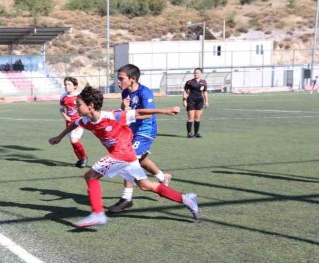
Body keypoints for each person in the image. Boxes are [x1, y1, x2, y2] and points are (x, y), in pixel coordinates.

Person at [48, 86, 201, 228]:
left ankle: (97, 214)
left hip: (121, 154)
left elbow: (139, 112)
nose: (76, 107)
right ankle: (187, 199)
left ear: (90, 106)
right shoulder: (86, 120)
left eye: (78, 104)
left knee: (91, 176)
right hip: (127, 156)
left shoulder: (112, 116)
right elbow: (75, 123)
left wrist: (166, 110)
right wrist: (59, 137)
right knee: (146, 185)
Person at [108, 64, 172, 213]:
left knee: (128, 158)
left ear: (133, 79)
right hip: (132, 131)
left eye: (121, 78)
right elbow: (126, 112)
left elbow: (149, 114)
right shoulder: (125, 93)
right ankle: (163, 177)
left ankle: (126, 198)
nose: (118, 81)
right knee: (141, 159)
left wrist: (131, 112)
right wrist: (124, 108)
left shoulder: (145, 92)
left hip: (146, 130)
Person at [58, 76, 88, 168]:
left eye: (69, 84)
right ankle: (80, 160)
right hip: (69, 123)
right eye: (65, 84)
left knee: (73, 140)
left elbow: (85, 108)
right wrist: (65, 116)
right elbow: (61, 109)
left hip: (79, 122)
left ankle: (84, 158)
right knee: (72, 142)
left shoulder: (79, 96)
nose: (67, 86)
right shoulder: (63, 97)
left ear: (75, 86)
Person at [183, 67, 209, 138]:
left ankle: (196, 133)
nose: (195, 74)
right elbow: (185, 91)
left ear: (201, 74)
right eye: (195, 73)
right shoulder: (189, 82)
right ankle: (189, 133)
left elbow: (205, 92)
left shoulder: (203, 82)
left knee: (197, 117)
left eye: (197, 73)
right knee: (191, 117)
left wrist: (206, 101)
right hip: (191, 100)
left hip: (200, 101)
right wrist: (184, 100)